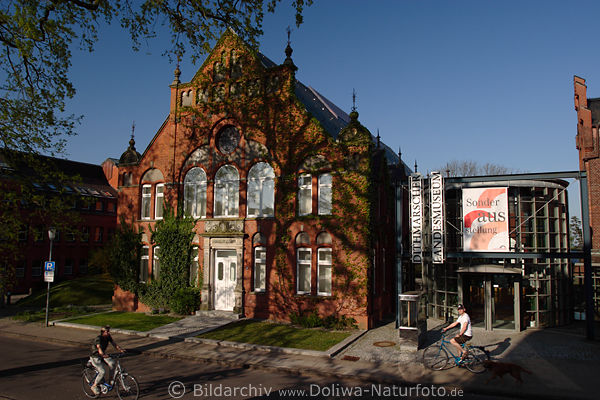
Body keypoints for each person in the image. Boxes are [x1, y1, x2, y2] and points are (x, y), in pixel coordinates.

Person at [90, 325, 125, 395]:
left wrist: (120, 349)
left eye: (109, 331)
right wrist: (102, 354)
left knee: (112, 363)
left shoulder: (108, 337)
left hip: (103, 355)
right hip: (95, 357)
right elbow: (99, 347)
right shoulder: (99, 338)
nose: (109, 333)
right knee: (102, 371)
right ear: (103, 332)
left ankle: (111, 381)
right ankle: (94, 386)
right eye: (107, 331)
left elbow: (114, 344)